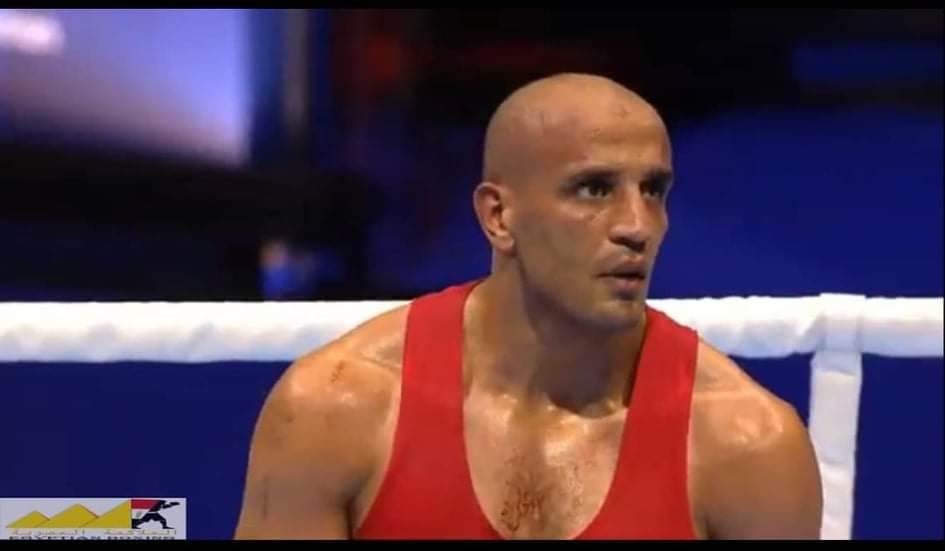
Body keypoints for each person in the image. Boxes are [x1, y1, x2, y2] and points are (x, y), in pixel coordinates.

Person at [233, 73, 823, 540]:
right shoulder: (336, 411)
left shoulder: (746, 445)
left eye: (653, 190)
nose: (637, 226)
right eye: (594, 189)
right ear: (498, 216)